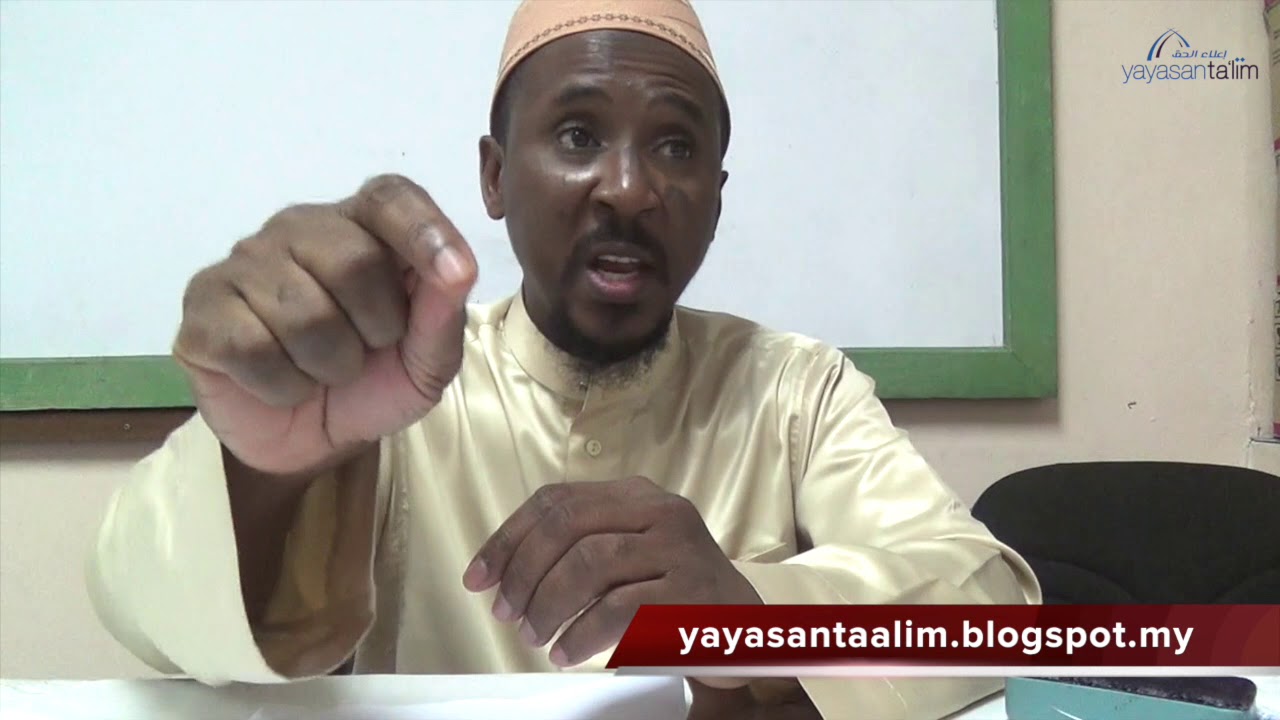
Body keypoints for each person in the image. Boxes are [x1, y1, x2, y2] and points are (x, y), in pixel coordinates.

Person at [86, 1, 1040, 718]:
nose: (628, 189)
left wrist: (751, 612)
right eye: (580, 135)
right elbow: (137, 611)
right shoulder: (387, 387)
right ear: (496, 175)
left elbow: (996, 608)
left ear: (716, 197)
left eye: (675, 147)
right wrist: (266, 475)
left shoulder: (795, 387)